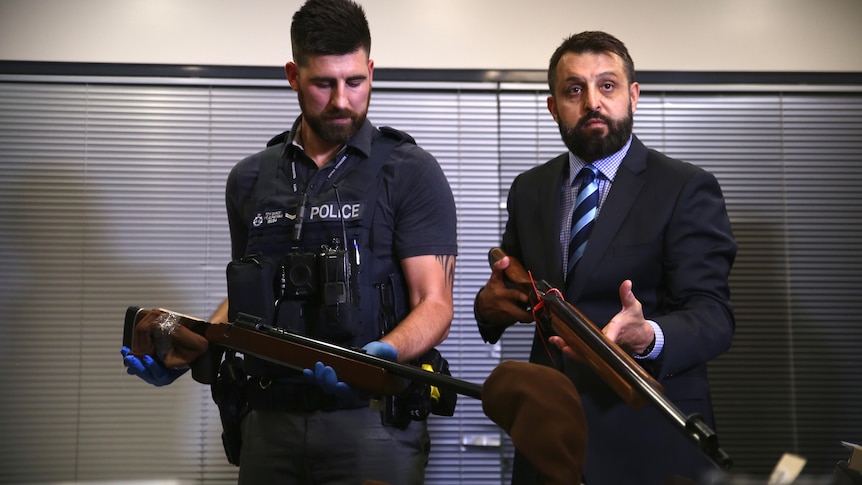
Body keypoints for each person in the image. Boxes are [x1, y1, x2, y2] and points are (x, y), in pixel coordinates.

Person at [122, 0, 457, 483]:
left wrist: (376, 355)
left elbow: (435, 302)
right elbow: (248, 296)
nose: (342, 99)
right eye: (323, 83)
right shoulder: (251, 178)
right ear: (293, 75)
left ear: (371, 70)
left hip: (371, 425)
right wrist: (191, 346)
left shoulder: (409, 171)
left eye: (356, 81)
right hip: (268, 421)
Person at [474, 31, 737, 485]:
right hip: (548, 442)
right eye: (574, 89)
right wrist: (488, 308)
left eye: (608, 85)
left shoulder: (685, 188)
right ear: (554, 106)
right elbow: (513, 287)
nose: (592, 101)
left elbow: (713, 316)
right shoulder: (529, 189)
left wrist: (648, 335)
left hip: (648, 441)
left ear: (633, 95)